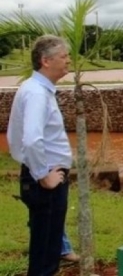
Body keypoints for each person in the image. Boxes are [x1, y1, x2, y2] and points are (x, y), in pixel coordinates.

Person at [8, 35, 73, 276]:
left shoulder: (35, 88)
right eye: (64, 56)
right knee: (46, 251)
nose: (68, 61)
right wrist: (43, 176)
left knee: (46, 244)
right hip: (46, 179)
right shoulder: (36, 93)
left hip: (43, 174)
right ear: (46, 61)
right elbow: (32, 139)